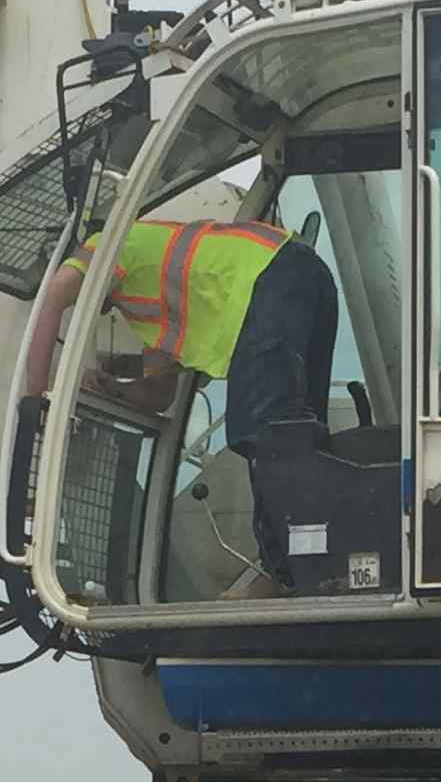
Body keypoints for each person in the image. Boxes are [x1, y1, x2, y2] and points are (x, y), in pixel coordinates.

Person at [23, 215, 339, 587]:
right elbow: (160, 395)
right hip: (303, 276)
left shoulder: (110, 241)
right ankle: (318, 556)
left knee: (266, 435)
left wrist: (36, 403)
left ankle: (288, 571)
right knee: (304, 436)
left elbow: (53, 296)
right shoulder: (151, 306)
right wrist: (112, 387)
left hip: (267, 278)